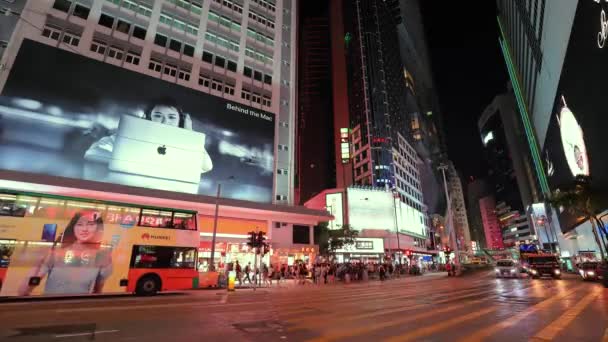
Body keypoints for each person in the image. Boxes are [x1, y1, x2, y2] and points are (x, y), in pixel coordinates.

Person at [84, 97, 213, 173]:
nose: (164, 122)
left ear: (181, 121)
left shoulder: (185, 147)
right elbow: (93, 153)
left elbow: (206, 165)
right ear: (147, 117)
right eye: (158, 116)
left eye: (172, 117)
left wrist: (189, 134)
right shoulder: (129, 135)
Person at [18, 211, 112, 296]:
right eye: (79, 224)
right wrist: (39, 262)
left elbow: (98, 292)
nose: (84, 229)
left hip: (79, 309)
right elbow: (23, 291)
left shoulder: (101, 257)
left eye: (90, 224)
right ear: (73, 227)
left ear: (98, 228)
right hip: (50, 306)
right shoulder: (57, 252)